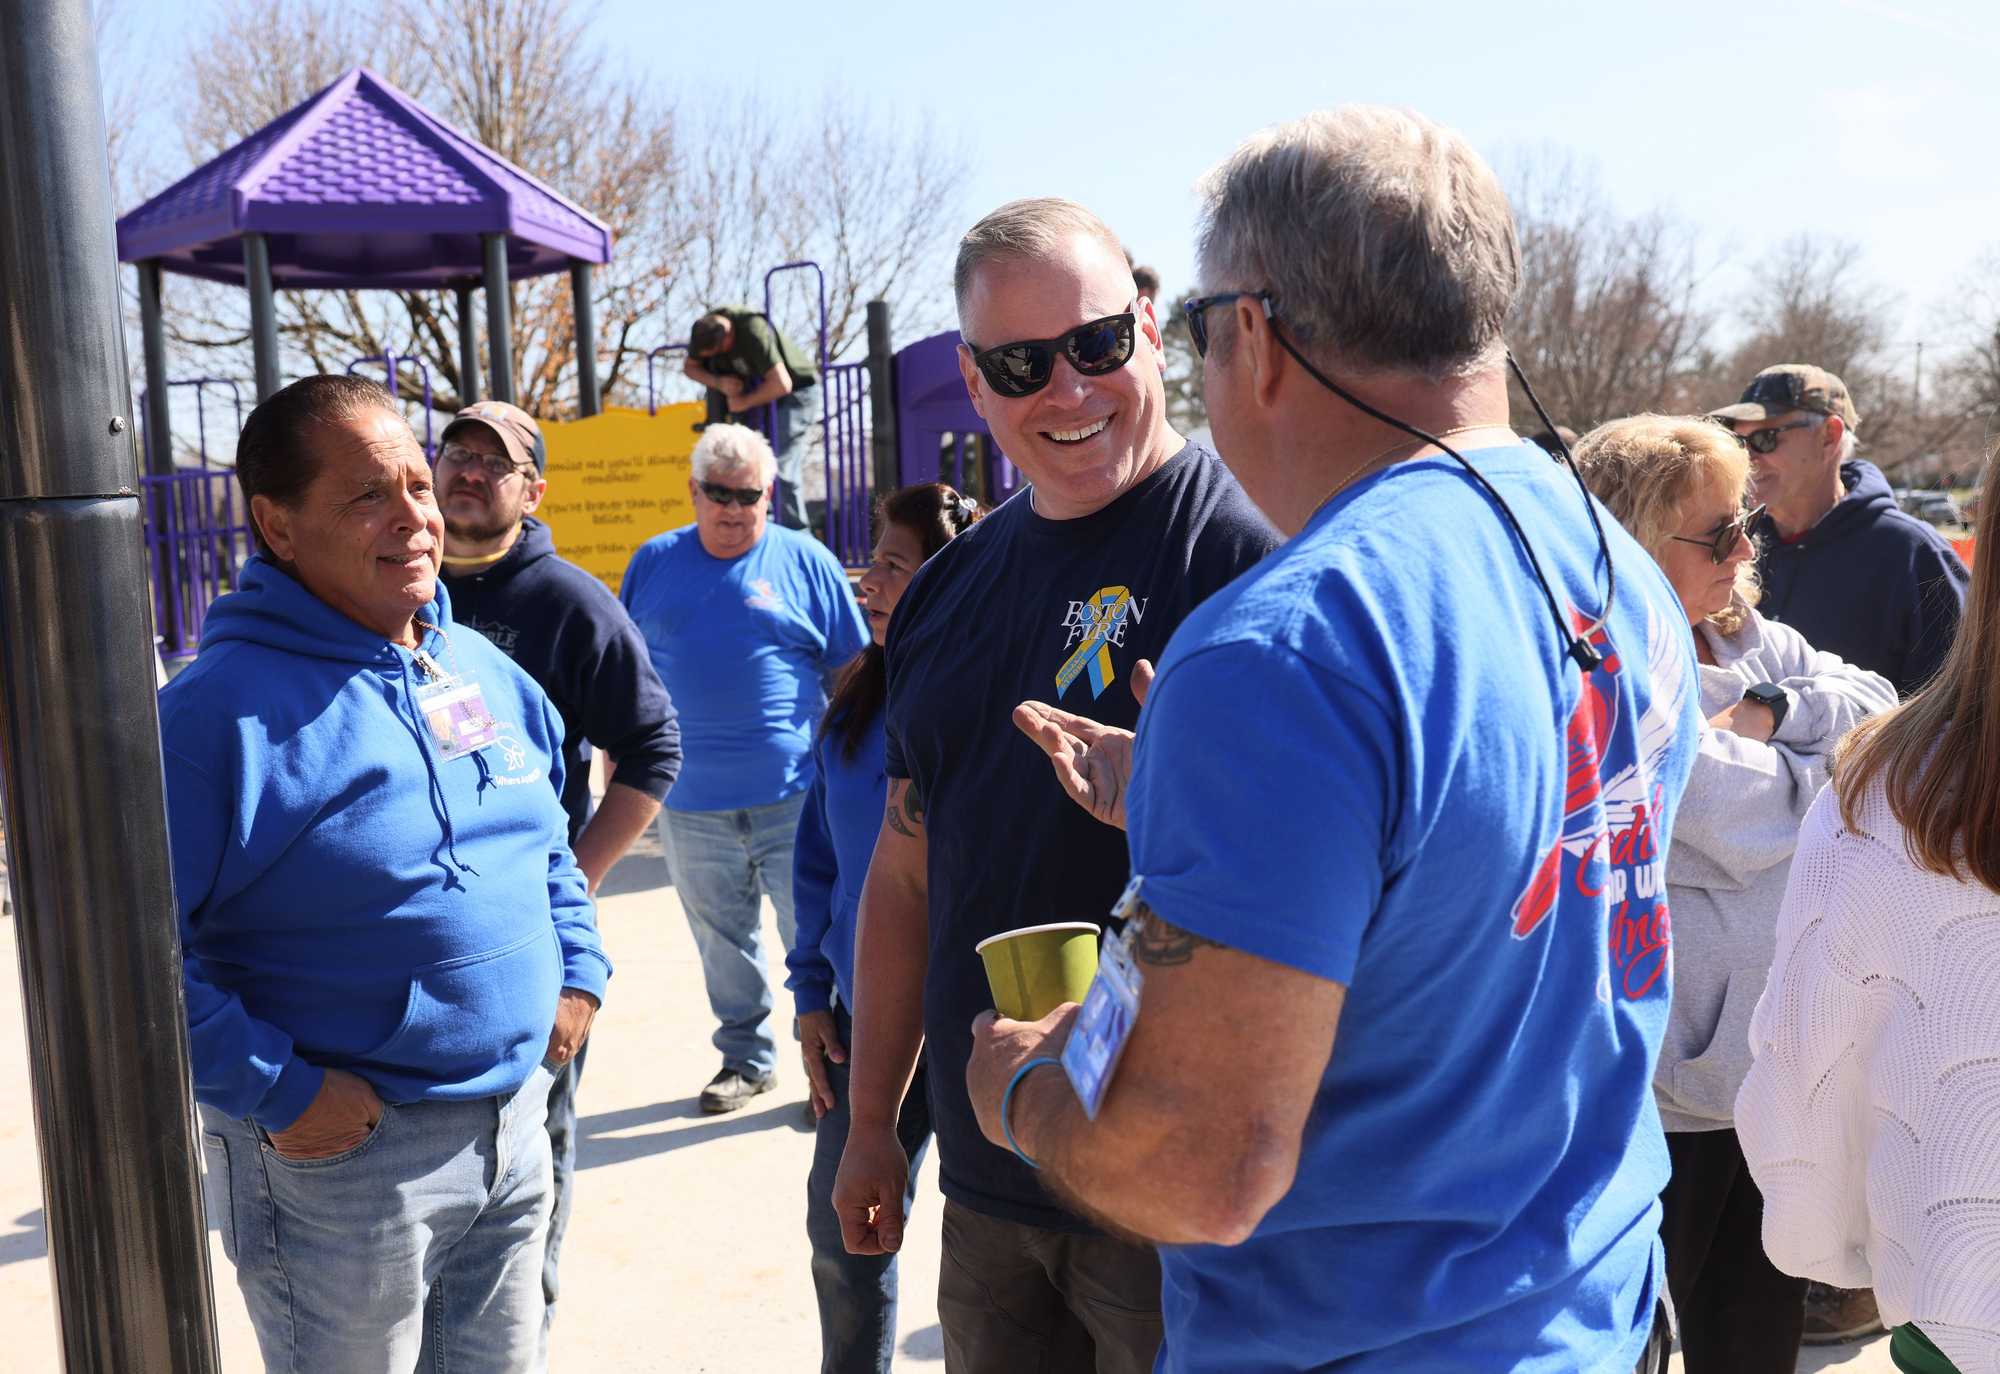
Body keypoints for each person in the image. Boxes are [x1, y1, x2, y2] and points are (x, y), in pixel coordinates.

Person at [983, 107, 1700, 1372]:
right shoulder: (1613, 564)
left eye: (1194, 328)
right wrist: (1215, 811)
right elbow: (1483, 865)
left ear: (1252, 335)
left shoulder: (1281, 647)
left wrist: (1023, 1096)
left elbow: (1202, 1173)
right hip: (1599, 1312)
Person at [833, 196, 1279, 1374]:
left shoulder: (1254, 560)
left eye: (1093, 344)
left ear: (1145, 323)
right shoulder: (942, 593)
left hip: (1176, 1191)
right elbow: (904, 868)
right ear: (974, 387)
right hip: (993, 1175)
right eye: (1021, 365)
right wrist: (872, 1124)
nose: (1068, 392)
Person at [161, 374, 606, 1373]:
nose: (416, 516)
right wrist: (278, 1088)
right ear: (277, 525)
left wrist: (577, 975)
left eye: (416, 483)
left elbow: (542, 836)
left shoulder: (479, 672)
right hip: (344, 1168)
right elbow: (122, 961)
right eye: (368, 495)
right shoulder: (210, 722)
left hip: (514, 1127)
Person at [1574, 414, 1896, 1371]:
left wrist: (1776, 711)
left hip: (1776, 1072)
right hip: (1665, 1097)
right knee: (1646, 1344)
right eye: (1717, 534)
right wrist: (1827, 781)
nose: (1745, 547)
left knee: (1757, 1339)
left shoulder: (1751, 638)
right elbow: (1720, 815)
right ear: (1632, 540)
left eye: (1742, 522)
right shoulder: (1600, 673)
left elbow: (1879, 705)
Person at [1735, 448, 2000, 1374]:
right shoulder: (1889, 778)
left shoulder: (1888, 780)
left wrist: (1829, 1240)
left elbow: (1809, 1050)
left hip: (1958, 1287)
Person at [434, 398, 682, 1324]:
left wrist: (575, 879)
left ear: (532, 490)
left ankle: (517, 1330)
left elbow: (653, 747)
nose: (467, 471)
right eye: (456, 452)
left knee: (534, 1148)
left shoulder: (568, 602)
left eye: (493, 463)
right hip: (420, 943)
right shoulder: (396, 588)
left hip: (530, 940)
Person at [789, 482, 983, 1374]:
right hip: (864, 1022)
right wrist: (810, 991)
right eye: (870, 561)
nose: (867, 583)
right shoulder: (858, 696)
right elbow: (819, 855)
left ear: (946, 579)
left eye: (893, 566)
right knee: (847, 1227)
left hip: (980, 1023)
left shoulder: (988, 694)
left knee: (993, 1253)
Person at [620, 421, 868, 1114]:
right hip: (688, 803)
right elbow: (627, 669)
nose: (732, 509)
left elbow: (852, 670)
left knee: (817, 944)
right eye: (717, 493)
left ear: (771, 495)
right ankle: (746, 1061)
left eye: (748, 494)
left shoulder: (806, 561)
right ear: (694, 492)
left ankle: (834, 1071)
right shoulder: (654, 561)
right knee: (723, 946)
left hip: (796, 801)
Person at [1710, 364, 1967, 699]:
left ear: (1829, 435)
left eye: (1764, 438)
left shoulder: (1914, 555)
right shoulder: (1733, 544)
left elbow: (1957, 711)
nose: (1748, 459)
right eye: (1738, 442)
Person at [684, 307, 820, 531]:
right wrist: (719, 382)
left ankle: (796, 535)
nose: (718, 359)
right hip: (761, 398)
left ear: (728, 336)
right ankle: (759, 529)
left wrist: (744, 402)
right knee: (746, 464)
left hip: (797, 391)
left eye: (719, 352)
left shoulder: (752, 329)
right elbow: (690, 368)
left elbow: (782, 383)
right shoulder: (705, 330)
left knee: (782, 464)